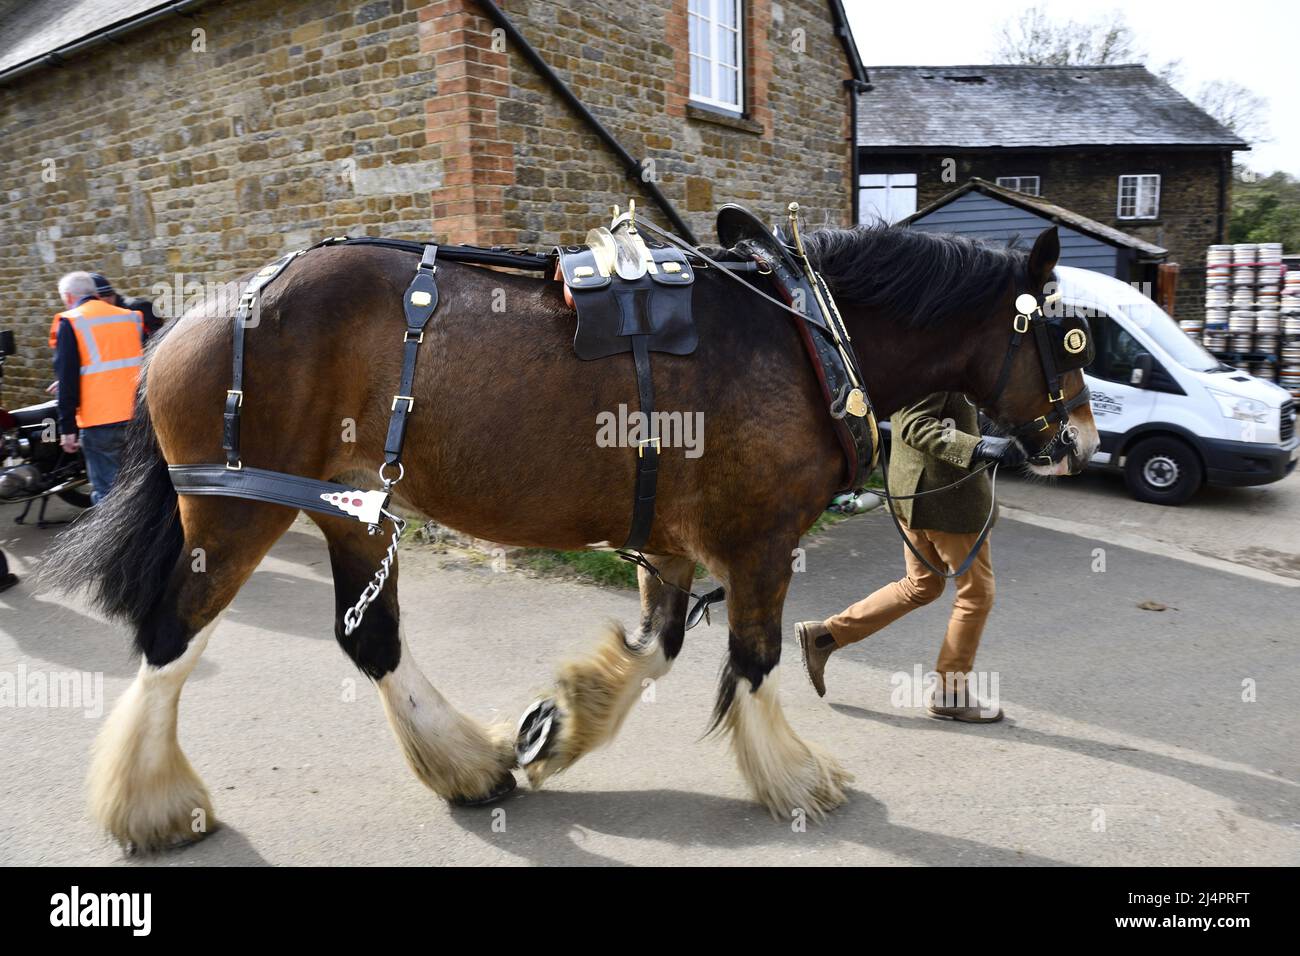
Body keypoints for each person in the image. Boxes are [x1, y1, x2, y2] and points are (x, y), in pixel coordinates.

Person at [795, 391, 1025, 722]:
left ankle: (825, 636)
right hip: (946, 501)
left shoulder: (937, 346)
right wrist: (978, 447)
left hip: (916, 492)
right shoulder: (943, 352)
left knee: (921, 585)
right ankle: (951, 692)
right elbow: (916, 425)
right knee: (977, 594)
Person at [52, 271, 144, 503]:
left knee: (108, 494)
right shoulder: (130, 317)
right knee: (141, 487)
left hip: (100, 421)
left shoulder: (71, 321)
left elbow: (67, 379)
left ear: (68, 296)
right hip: (139, 416)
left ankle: (119, 540)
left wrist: (67, 428)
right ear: (95, 292)